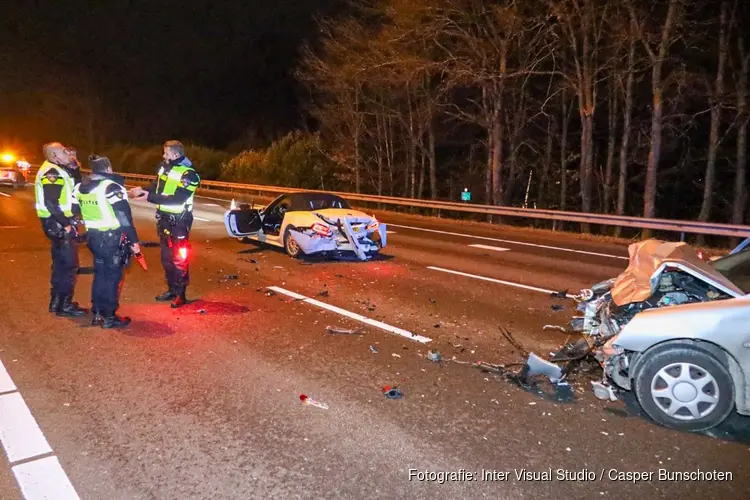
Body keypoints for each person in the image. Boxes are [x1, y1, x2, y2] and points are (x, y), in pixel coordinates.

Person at [130, 140, 200, 308]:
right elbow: (156, 187)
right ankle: (171, 289)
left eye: (166, 153)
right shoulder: (165, 168)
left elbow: (178, 198)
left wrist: (150, 197)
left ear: (176, 154)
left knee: (180, 258)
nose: (164, 156)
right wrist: (143, 190)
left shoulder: (189, 175)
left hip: (179, 221)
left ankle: (181, 294)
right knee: (166, 257)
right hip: (164, 219)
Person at [74, 155, 140, 328]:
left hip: (93, 238)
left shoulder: (79, 187)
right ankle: (109, 316)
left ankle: (97, 313)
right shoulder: (111, 187)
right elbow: (124, 217)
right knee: (112, 277)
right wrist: (134, 242)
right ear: (109, 168)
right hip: (112, 239)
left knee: (100, 274)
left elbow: (75, 210)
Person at [35, 142, 86, 317]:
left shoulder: (56, 169)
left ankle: (56, 302)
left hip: (54, 224)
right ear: (55, 156)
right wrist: (66, 224)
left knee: (59, 266)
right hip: (58, 225)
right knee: (69, 267)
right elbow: (51, 202)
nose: (68, 154)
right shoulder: (52, 172)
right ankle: (65, 305)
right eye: (64, 152)